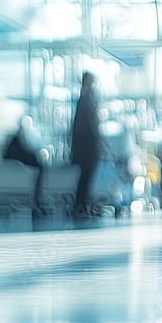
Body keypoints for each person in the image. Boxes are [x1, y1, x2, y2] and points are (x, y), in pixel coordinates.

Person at [70, 72, 100, 219]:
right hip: (87, 149)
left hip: (86, 149)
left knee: (85, 178)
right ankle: (81, 206)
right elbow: (89, 127)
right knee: (85, 178)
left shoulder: (85, 99)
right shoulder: (85, 100)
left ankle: (81, 205)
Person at [3, 115, 43, 213]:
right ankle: (36, 202)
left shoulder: (16, 140)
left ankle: (36, 202)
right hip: (24, 169)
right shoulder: (19, 141)